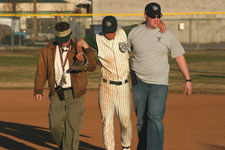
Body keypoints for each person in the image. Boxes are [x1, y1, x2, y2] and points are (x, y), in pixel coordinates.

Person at [75, 16, 166, 150]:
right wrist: (79, 53)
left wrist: (159, 23)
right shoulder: (97, 38)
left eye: (111, 31)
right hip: (106, 86)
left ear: (117, 28)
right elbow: (80, 41)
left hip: (123, 86)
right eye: (106, 31)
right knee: (107, 122)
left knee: (125, 122)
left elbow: (143, 24)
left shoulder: (124, 32)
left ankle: (126, 147)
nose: (109, 34)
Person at [128, 2, 192, 150]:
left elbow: (179, 56)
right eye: (153, 16)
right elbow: (121, 47)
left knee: (155, 118)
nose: (156, 19)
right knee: (141, 121)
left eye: (159, 16)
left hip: (159, 83)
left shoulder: (167, 34)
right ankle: (143, 147)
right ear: (145, 15)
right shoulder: (134, 32)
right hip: (139, 83)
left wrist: (188, 79)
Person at [33, 22, 97, 150]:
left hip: (76, 92)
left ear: (71, 35)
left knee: (72, 126)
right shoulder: (47, 50)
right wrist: (38, 89)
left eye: (65, 40)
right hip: (57, 92)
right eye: (60, 40)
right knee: (55, 125)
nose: (63, 42)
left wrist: (85, 55)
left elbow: (93, 66)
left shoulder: (78, 47)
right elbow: (41, 71)